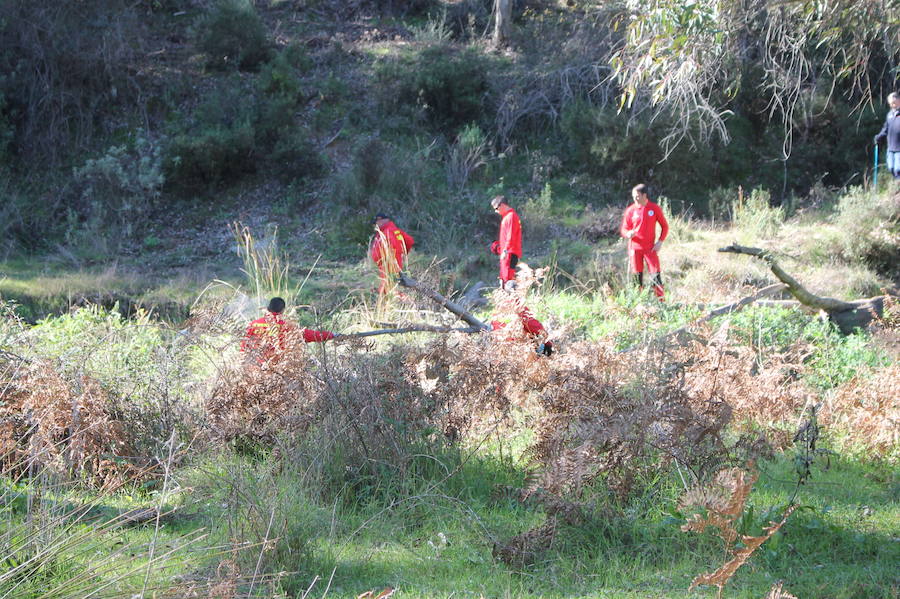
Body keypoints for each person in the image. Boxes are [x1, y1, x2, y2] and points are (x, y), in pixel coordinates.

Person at [241, 297, 335, 363]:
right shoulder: (287, 326)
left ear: (268, 309)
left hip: (254, 369)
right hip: (278, 370)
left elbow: (243, 348)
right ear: (282, 310)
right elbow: (311, 335)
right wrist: (332, 335)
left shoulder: (253, 324)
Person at [620, 183, 669, 300]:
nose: (634, 198)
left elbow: (665, 226)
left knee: (655, 276)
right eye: (633, 196)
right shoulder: (630, 210)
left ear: (644, 195)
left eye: (637, 196)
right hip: (635, 249)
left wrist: (660, 242)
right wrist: (628, 233)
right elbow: (624, 228)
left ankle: (661, 302)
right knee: (637, 278)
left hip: (650, 249)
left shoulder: (654, 208)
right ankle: (639, 302)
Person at [370, 214, 415, 295]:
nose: (375, 226)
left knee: (387, 290)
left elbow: (393, 246)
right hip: (388, 266)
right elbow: (409, 241)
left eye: (375, 223)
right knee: (386, 289)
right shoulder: (391, 230)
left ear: (380, 220)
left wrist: (394, 258)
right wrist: (403, 254)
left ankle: (408, 302)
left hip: (389, 266)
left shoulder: (388, 231)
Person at [489, 195, 522, 289]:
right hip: (507, 253)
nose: (496, 211)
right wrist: (499, 248)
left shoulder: (511, 216)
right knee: (504, 280)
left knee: (508, 281)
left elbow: (510, 236)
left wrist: (505, 251)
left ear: (502, 205)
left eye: (496, 208)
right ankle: (506, 301)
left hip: (510, 253)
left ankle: (513, 302)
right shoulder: (507, 217)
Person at [874, 92, 900, 179]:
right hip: (891, 147)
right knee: (891, 168)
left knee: (898, 169)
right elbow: (885, 129)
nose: (892, 105)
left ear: (898, 101)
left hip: (899, 149)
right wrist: (878, 137)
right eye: (890, 104)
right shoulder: (889, 115)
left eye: (893, 103)